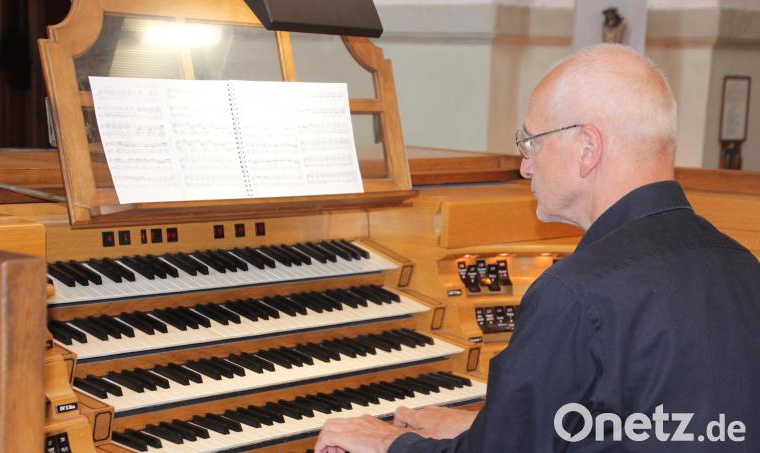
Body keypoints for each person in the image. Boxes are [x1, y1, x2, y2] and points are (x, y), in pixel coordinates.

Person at [314, 43, 760, 452]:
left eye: (530, 142)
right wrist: (484, 424)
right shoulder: (742, 267)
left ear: (588, 148)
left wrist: (388, 443)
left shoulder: (574, 295)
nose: (525, 165)